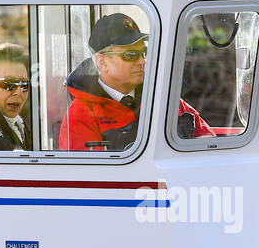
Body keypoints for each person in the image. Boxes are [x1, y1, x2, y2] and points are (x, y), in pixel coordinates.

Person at [59, 13, 213, 151]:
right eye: (131, 55)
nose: (141, 61)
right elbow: (94, 177)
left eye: (143, 53)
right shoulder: (80, 116)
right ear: (102, 62)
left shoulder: (165, 100)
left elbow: (209, 145)